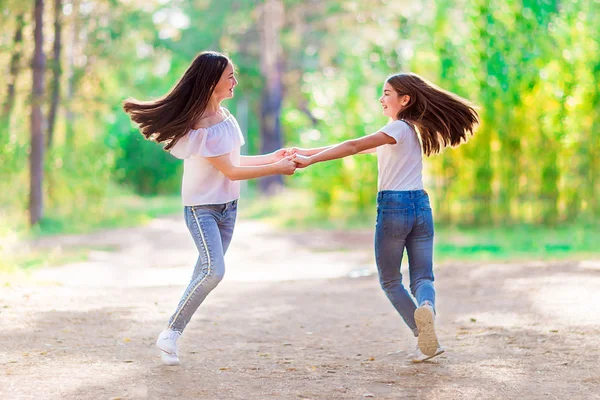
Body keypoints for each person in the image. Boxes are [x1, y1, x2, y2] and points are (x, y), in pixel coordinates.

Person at [123, 51, 296, 365]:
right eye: (230, 75)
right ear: (212, 80)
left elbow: (234, 162)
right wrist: (277, 168)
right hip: (201, 209)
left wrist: (273, 157)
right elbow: (232, 171)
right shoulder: (200, 126)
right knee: (214, 270)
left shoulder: (226, 118)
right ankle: (171, 334)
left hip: (229, 207)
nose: (234, 80)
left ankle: (169, 336)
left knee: (204, 271)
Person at [291, 72, 479, 362]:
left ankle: (421, 333)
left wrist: (310, 161)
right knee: (423, 276)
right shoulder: (408, 131)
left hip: (394, 208)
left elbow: (353, 146)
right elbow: (352, 145)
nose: (381, 98)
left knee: (391, 280)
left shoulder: (398, 128)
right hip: (421, 206)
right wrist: (306, 152)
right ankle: (426, 307)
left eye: (387, 93)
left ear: (405, 99)